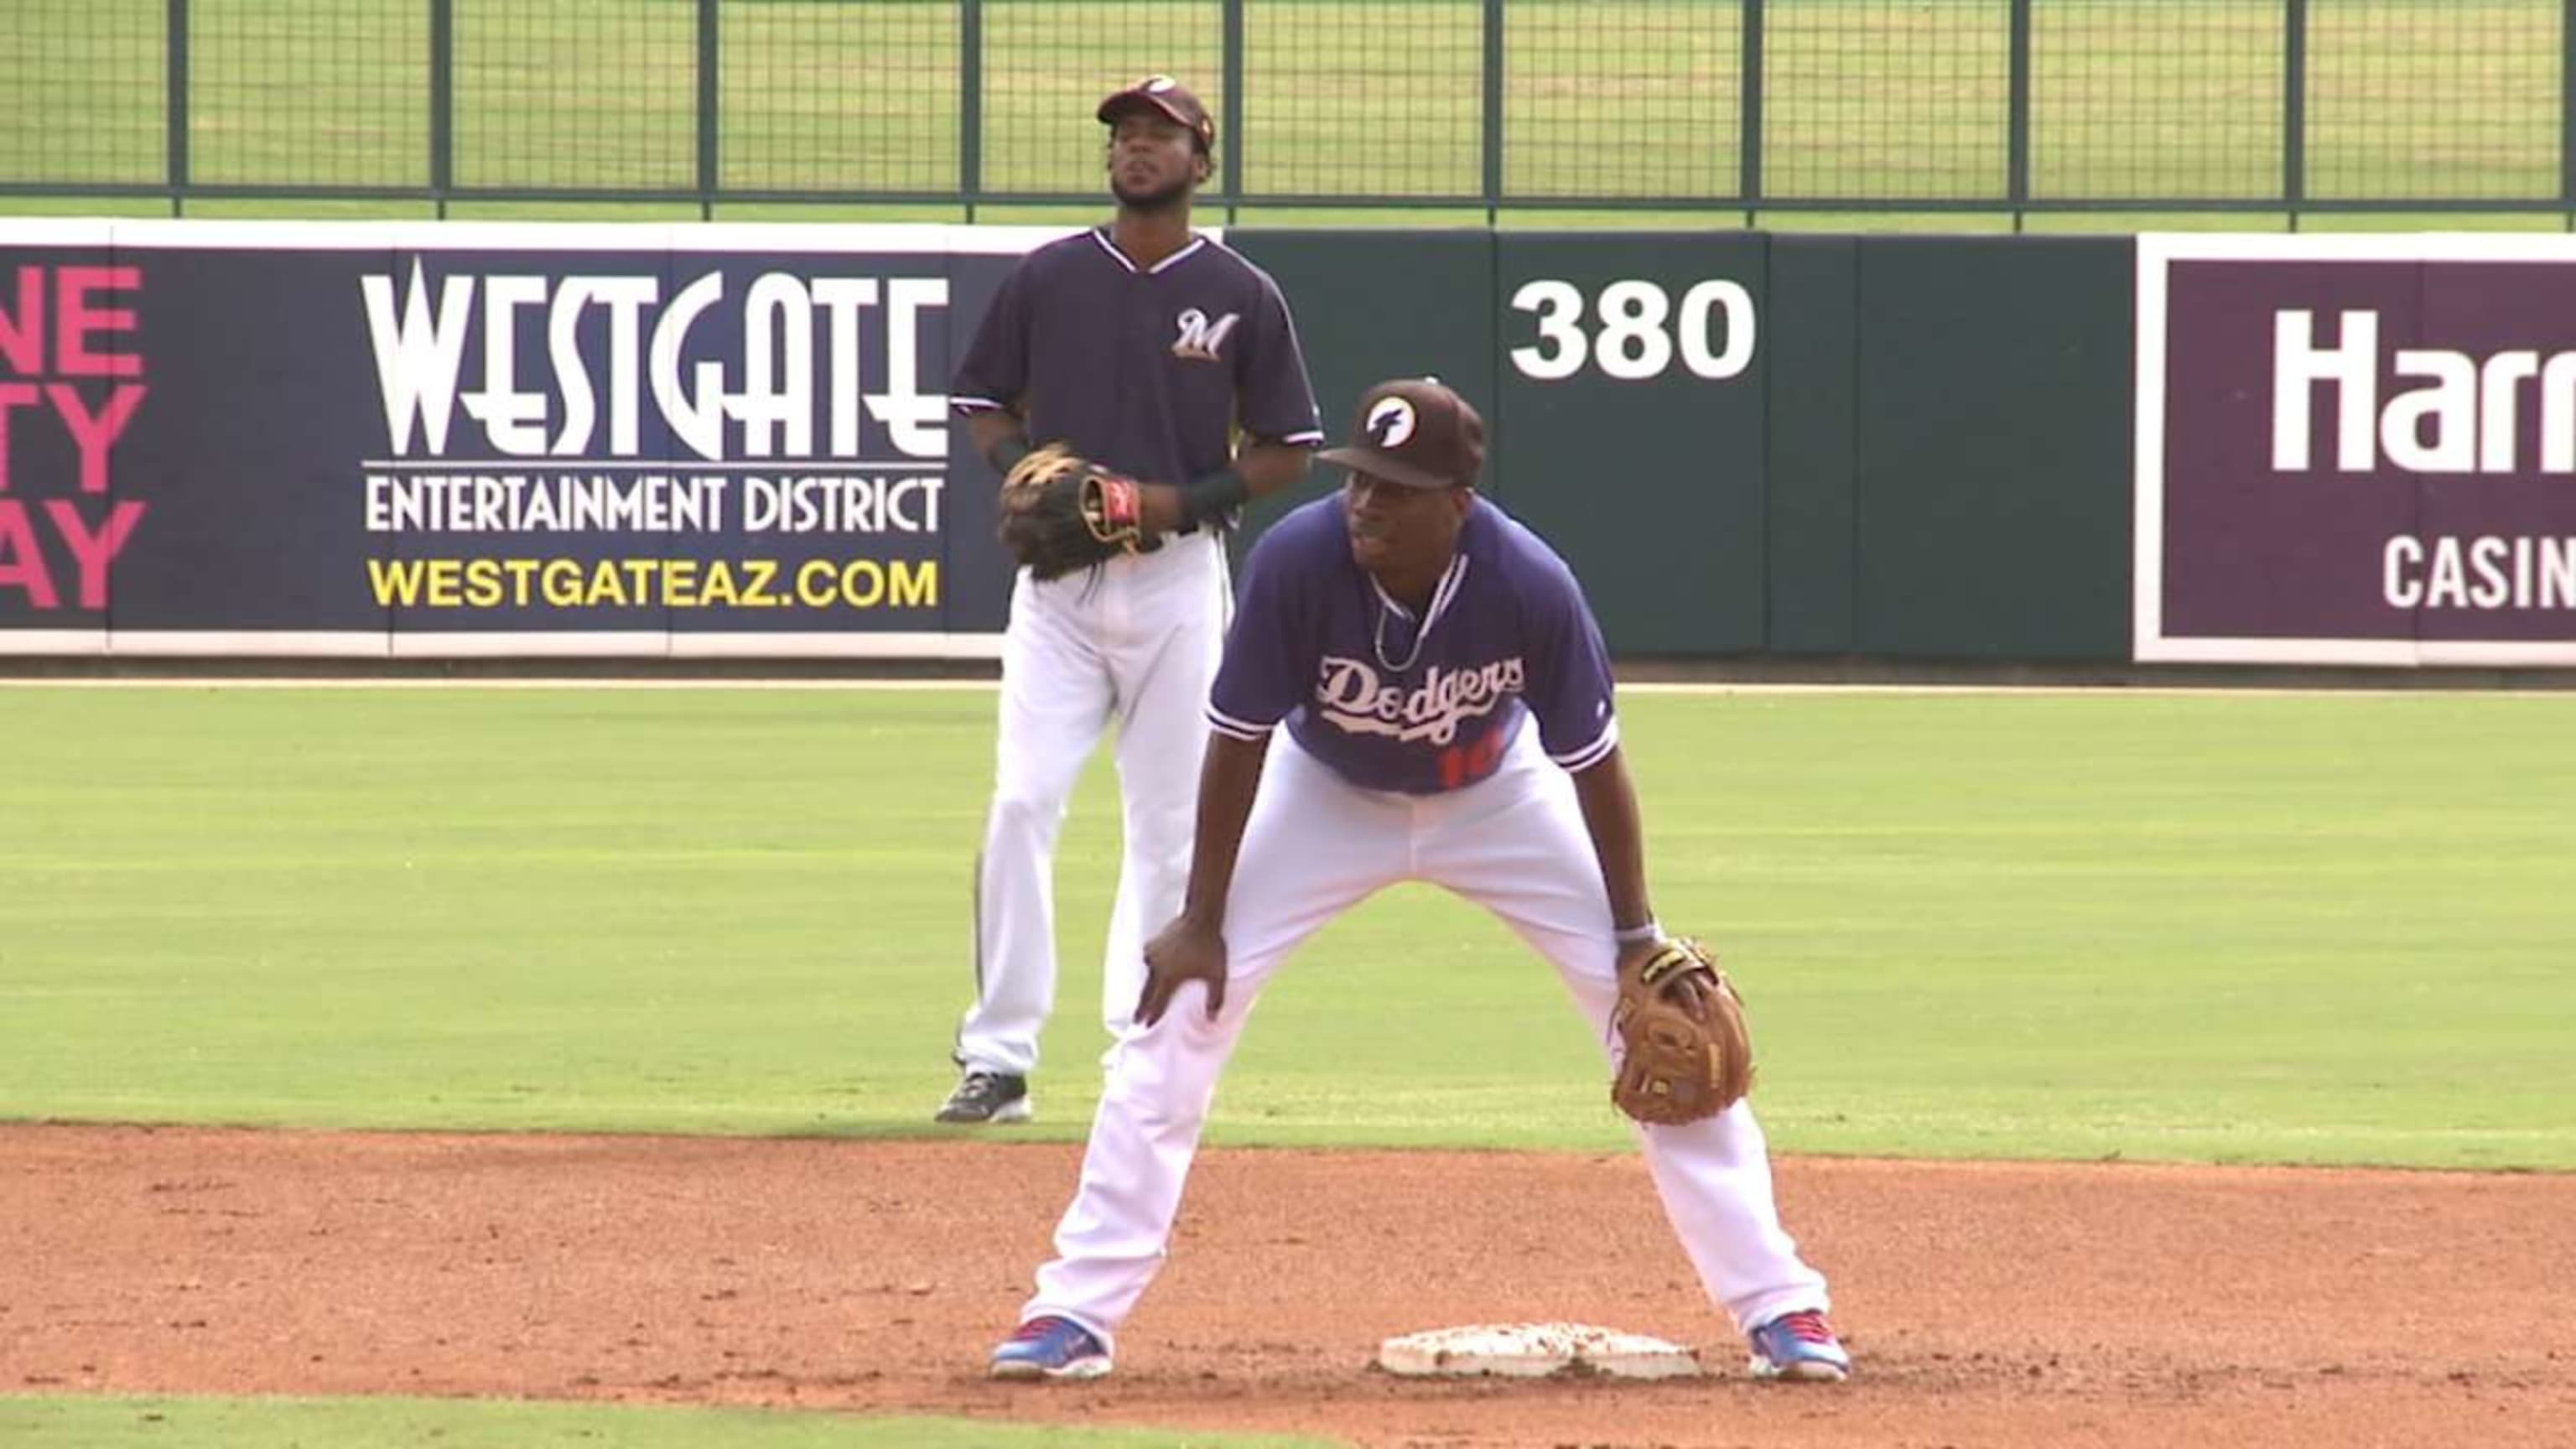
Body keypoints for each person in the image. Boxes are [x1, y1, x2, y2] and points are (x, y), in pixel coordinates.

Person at [987, 378, 1851, 1384]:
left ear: (1456, 502)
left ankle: (1783, 1307)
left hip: (1497, 796)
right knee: (1177, 1008)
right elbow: (1238, 740)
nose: (1365, 506)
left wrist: (1634, 936)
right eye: (1360, 482)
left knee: (1667, 1020)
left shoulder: (1530, 583)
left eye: (1395, 491)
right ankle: (1073, 1314)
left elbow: (1594, 767)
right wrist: (1203, 918)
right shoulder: (1300, 560)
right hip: (1326, 795)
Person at [936, 75, 1325, 1125]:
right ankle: (998, 1056)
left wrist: (1175, 500)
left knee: (1169, 830)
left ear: (1202, 162)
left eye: (1161, 136)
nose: (1137, 150)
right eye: (1124, 136)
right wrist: (1025, 469)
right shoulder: (1050, 277)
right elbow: (980, 402)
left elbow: (1288, 447)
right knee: (1022, 801)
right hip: (1057, 591)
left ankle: (1138, 1051)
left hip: (1178, 586)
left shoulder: (1242, 292)